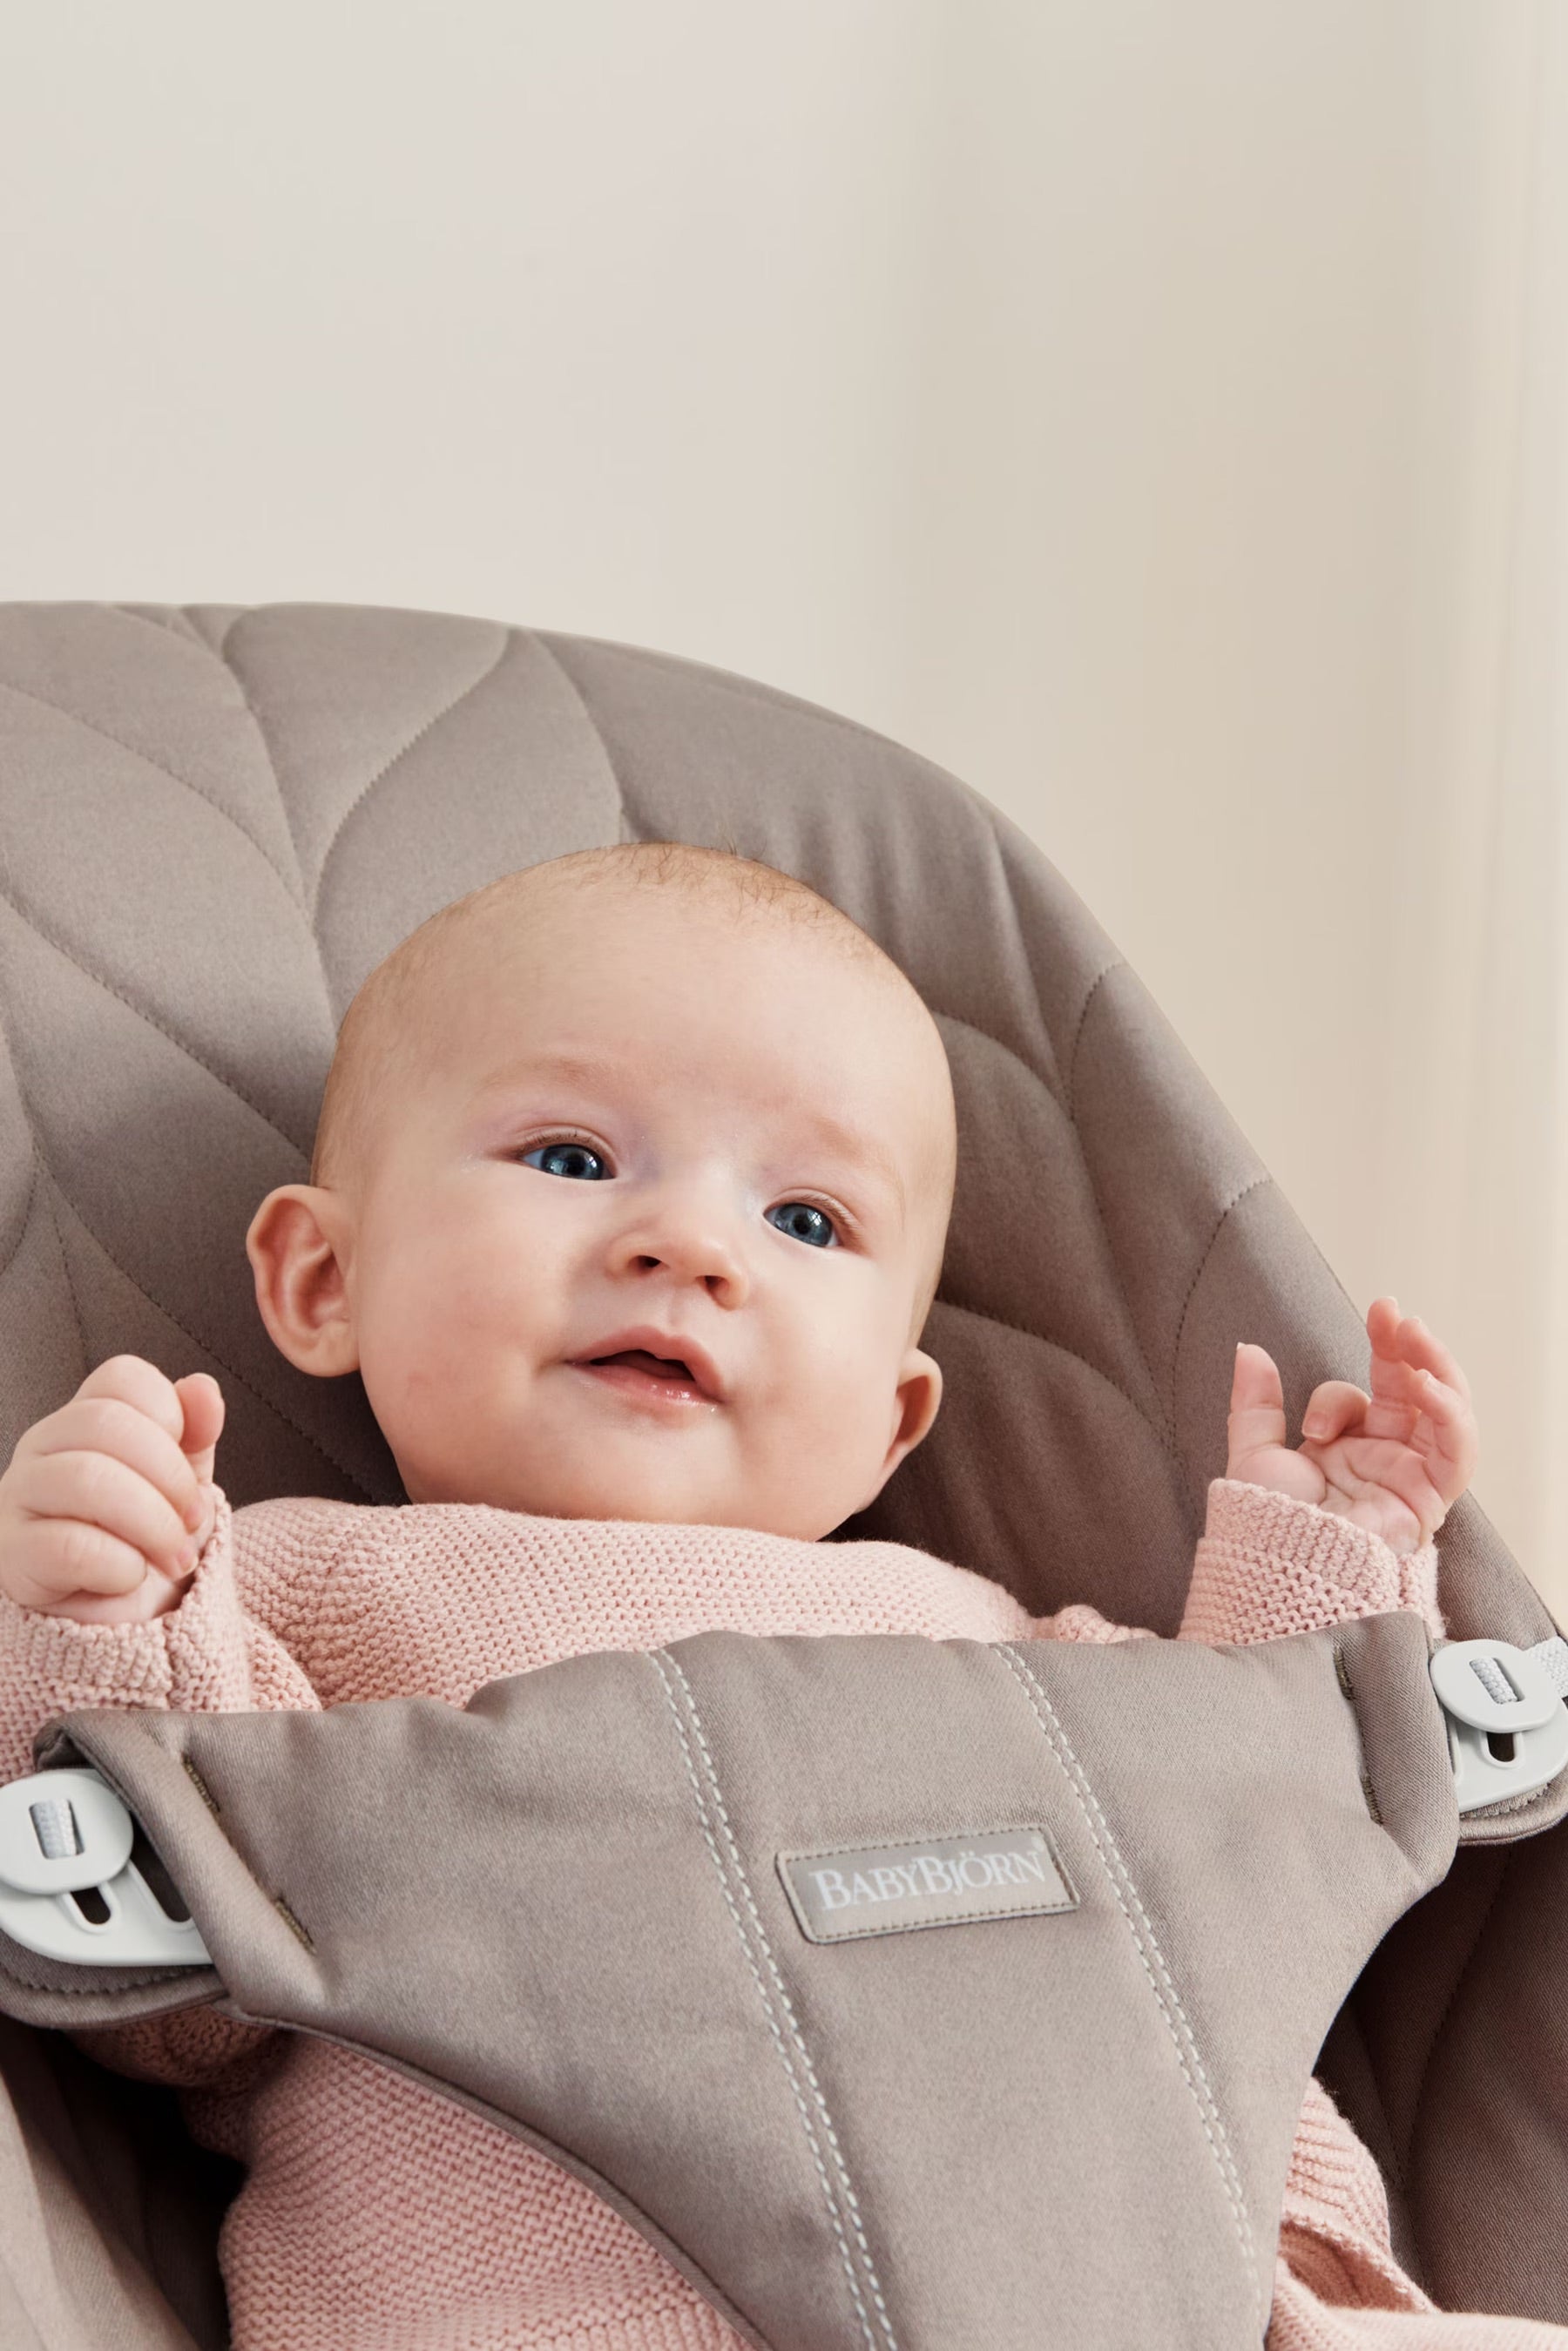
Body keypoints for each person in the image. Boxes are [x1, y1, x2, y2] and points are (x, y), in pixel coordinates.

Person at [0, 843, 1551, 2350]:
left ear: (888, 1418)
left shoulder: (968, 1623)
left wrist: (1326, 1567)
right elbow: (169, 2001)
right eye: (572, 1158)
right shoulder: (294, 1584)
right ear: (324, 1281)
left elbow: (1239, 1836)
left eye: (804, 1221)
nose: (692, 1248)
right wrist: (103, 1607)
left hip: (1174, 2282)